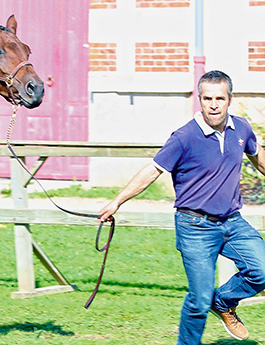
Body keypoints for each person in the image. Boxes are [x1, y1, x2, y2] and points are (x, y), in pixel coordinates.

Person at [99, 70, 265, 344]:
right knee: (199, 300)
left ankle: (223, 302)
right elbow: (152, 170)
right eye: (207, 98)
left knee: (261, 271)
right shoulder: (184, 137)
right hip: (195, 226)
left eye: (220, 98)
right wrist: (117, 201)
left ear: (230, 99)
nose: (214, 104)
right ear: (199, 100)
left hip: (233, 222)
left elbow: (258, 157)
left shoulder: (242, 128)